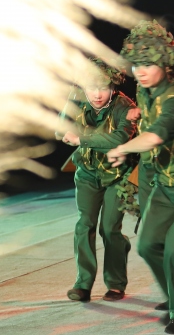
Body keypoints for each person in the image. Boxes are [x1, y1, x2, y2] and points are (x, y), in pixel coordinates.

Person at [107, 20, 174, 334]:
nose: (140, 71)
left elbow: (154, 137)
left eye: (148, 64)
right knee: (148, 245)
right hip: (166, 183)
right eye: (136, 64)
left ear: (165, 65)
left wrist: (123, 148)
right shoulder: (146, 93)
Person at [58, 58, 136, 302]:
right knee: (85, 224)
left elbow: (119, 139)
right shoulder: (78, 100)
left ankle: (116, 283)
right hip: (88, 173)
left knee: (110, 229)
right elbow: (60, 130)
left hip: (118, 176)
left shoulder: (124, 106)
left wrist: (82, 139)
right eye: (91, 88)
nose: (97, 94)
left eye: (103, 88)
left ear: (113, 87)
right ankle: (83, 283)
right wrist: (71, 101)